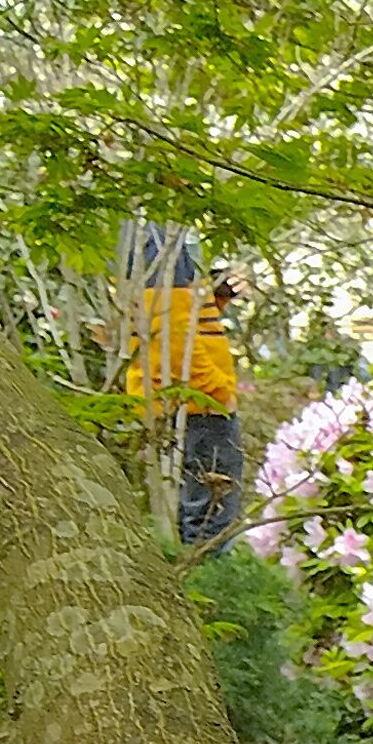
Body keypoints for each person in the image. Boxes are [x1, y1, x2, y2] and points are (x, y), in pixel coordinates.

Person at [119, 227, 244, 546]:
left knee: (198, 517)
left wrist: (216, 296)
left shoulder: (160, 234)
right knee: (208, 526)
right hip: (198, 407)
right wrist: (217, 392)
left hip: (188, 405)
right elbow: (171, 340)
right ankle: (206, 589)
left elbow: (176, 321)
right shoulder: (157, 238)